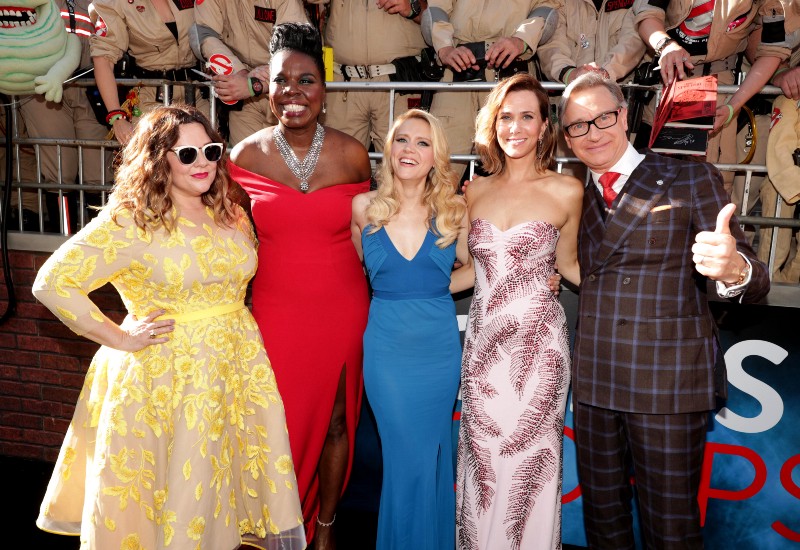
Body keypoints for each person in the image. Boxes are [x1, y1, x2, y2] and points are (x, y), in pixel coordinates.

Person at [33, 105, 305, 549]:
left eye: (211, 150)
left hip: (236, 370)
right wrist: (119, 337)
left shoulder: (230, 213)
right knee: (177, 492)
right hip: (167, 378)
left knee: (220, 489)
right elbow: (52, 283)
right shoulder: (130, 221)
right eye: (187, 153)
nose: (202, 162)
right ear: (158, 158)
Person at [558, 72, 770, 548]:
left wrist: (732, 267)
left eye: (603, 118)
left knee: (670, 532)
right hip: (595, 383)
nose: (593, 133)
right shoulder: (573, 194)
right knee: (603, 526)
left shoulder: (687, 174)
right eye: (578, 126)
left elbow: (757, 276)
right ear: (567, 138)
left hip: (667, 387)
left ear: (626, 115)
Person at [228, 22, 372, 549]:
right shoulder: (242, 158)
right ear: (266, 89)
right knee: (272, 422)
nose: (293, 92)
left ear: (324, 89)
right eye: (281, 80)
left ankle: (326, 528)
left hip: (342, 308)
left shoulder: (353, 155)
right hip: (271, 311)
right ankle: (268, 525)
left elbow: (368, 237)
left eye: (306, 80)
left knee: (337, 421)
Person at [457, 73, 582, 549]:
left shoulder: (568, 190)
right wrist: (405, 293)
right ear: (493, 123)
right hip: (484, 349)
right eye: (506, 116)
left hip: (539, 352)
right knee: (483, 467)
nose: (515, 127)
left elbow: (569, 265)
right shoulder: (474, 191)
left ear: (544, 126)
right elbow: (470, 273)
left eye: (527, 116)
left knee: (528, 474)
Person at [351, 109, 471, 550]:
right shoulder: (364, 208)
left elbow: (476, 270)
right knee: (405, 461)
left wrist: (435, 288)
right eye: (403, 139)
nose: (410, 150)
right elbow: (361, 273)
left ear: (436, 156)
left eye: (423, 143)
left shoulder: (454, 211)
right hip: (386, 350)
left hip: (437, 351)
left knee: (429, 457)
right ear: (389, 148)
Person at [632, 0, 792, 191]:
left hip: (719, 94)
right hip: (665, 84)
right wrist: (665, 45)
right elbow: (647, 13)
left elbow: (772, 51)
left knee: (710, 184)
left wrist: (733, 106)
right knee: (649, 180)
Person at [423, 0, 559, 180]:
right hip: (456, 75)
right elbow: (436, 10)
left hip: (512, 75)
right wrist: (444, 48)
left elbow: (546, 9)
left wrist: (521, 41)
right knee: (440, 167)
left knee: (518, 168)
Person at [19, 0, 112, 233]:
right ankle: (64, 244)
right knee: (59, 173)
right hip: (42, 91)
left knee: (98, 174)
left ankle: (101, 245)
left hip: (91, 87)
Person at [304, 0, 431, 153]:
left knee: (401, 163)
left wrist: (414, 7)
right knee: (339, 162)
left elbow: (443, 18)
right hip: (344, 83)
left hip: (398, 84)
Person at [90, 0, 208, 144]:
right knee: (154, 162)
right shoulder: (114, 3)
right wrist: (117, 117)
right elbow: (103, 59)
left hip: (196, 93)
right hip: (151, 98)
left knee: (205, 157)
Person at [191, 0, 308, 145]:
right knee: (245, 160)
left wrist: (259, 81)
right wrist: (239, 72)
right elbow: (204, 35)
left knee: (290, 160)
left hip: (285, 89)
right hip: (243, 92)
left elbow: (295, 48)